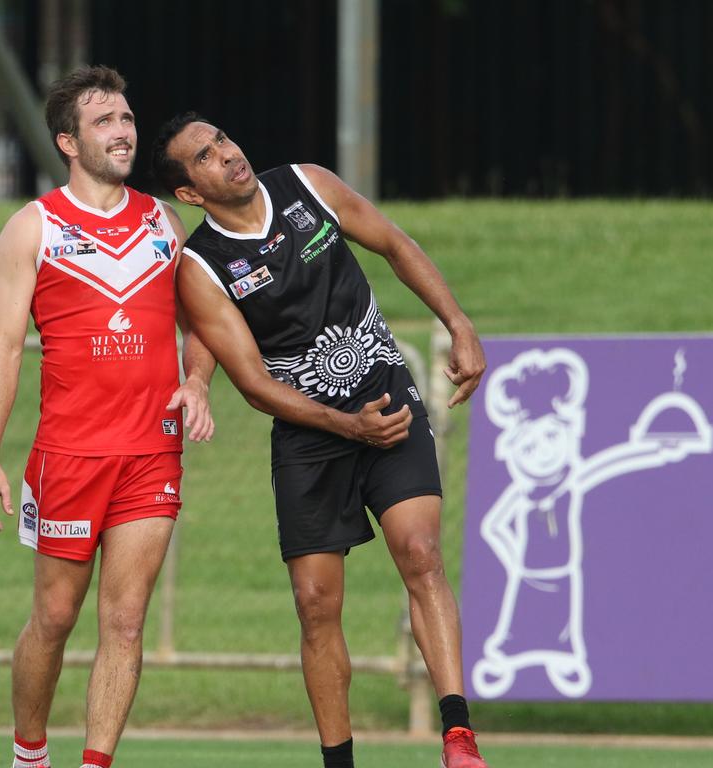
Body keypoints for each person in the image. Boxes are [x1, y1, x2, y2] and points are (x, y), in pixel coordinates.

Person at [152, 113, 489, 768]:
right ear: (189, 193)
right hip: (310, 434)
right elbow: (250, 381)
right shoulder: (200, 266)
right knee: (315, 603)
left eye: (222, 139)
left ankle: (458, 738)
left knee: (420, 551)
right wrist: (342, 425)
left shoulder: (308, 185)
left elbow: (393, 244)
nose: (227, 153)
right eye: (204, 156)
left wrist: (458, 321)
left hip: (386, 398)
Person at [0, 69, 215, 768]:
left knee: (125, 622)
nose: (124, 130)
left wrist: (196, 380)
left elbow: (207, 324)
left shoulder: (166, 224)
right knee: (53, 618)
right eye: (105, 120)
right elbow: (5, 348)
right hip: (68, 456)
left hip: (151, 454)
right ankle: (29, 754)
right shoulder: (32, 228)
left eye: (128, 117)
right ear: (68, 141)